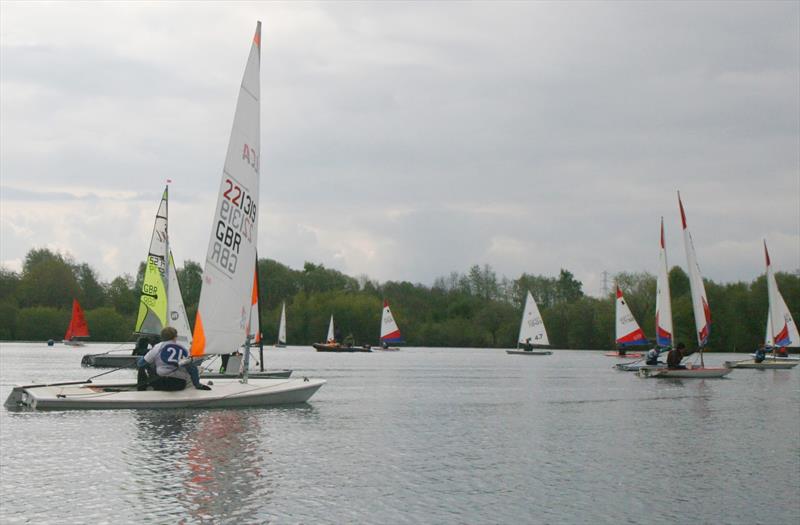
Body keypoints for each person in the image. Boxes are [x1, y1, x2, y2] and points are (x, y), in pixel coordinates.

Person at [137, 326, 211, 391]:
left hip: (159, 383)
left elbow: (141, 363)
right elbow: (193, 369)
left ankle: (141, 389)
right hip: (178, 385)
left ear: (162, 337)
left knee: (142, 367)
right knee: (188, 367)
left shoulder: (157, 347)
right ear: (175, 337)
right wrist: (198, 385)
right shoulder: (183, 349)